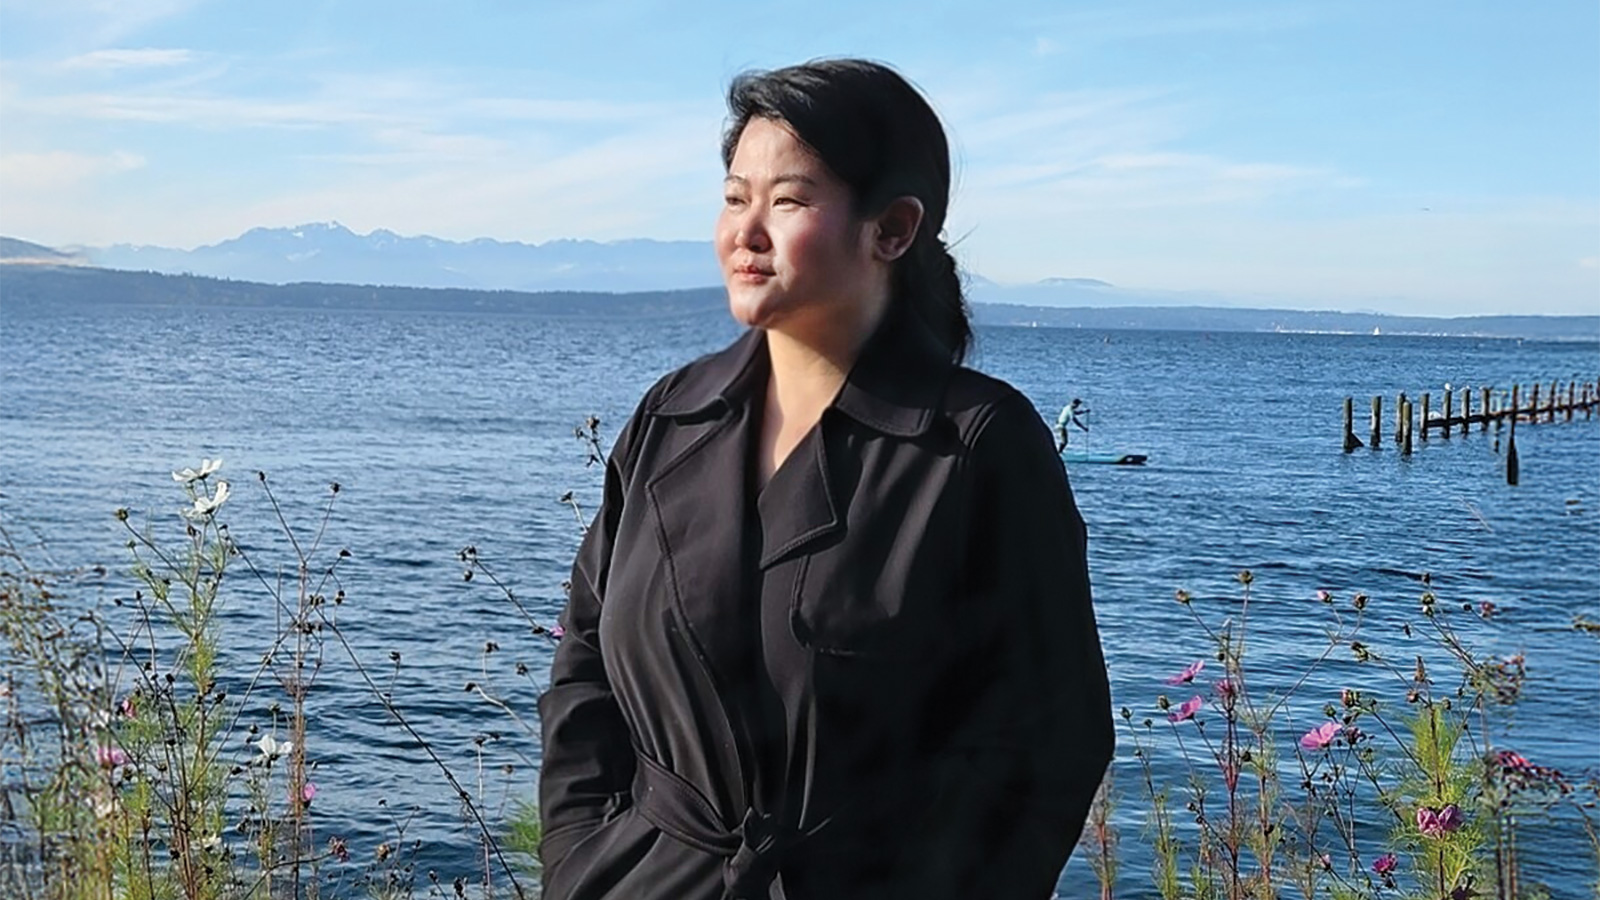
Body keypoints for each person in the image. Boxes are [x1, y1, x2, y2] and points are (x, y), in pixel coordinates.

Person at [537, 58, 1113, 900]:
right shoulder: (671, 417)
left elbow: (1050, 744)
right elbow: (584, 672)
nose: (746, 231)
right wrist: (580, 861)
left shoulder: (975, 447)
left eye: (789, 200)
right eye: (735, 197)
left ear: (893, 229)